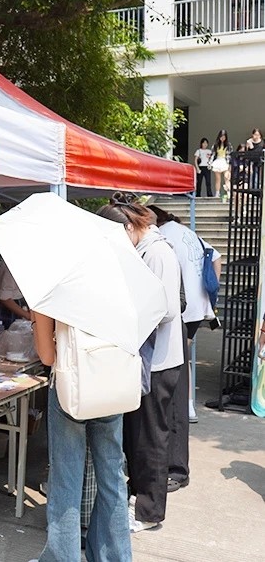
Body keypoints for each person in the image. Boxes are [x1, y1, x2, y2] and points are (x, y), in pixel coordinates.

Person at [97, 195, 183, 533]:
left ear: (131, 227)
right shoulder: (145, 249)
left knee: (151, 439)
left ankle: (149, 512)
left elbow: (168, 310)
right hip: (148, 358)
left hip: (159, 361)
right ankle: (139, 497)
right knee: (139, 436)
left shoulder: (158, 252)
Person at [30, 312, 132, 562]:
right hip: (112, 381)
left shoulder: (54, 291)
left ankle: (62, 557)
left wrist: (36, 322)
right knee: (113, 475)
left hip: (72, 387)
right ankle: (116, 556)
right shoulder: (119, 289)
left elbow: (47, 356)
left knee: (66, 479)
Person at [148, 205, 222, 492]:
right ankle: (188, 406)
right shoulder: (185, 232)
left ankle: (176, 466)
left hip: (180, 314)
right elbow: (217, 258)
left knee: (175, 381)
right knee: (181, 371)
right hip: (195, 309)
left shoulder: (161, 240)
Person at [211, 129, 232, 200]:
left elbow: (230, 156)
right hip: (217, 161)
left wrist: (229, 165)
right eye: (221, 136)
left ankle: (229, 192)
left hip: (225, 162)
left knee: (227, 178)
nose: (222, 138)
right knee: (218, 179)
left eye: (224, 137)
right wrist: (210, 163)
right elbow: (212, 155)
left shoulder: (228, 145)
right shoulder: (215, 145)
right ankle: (217, 193)